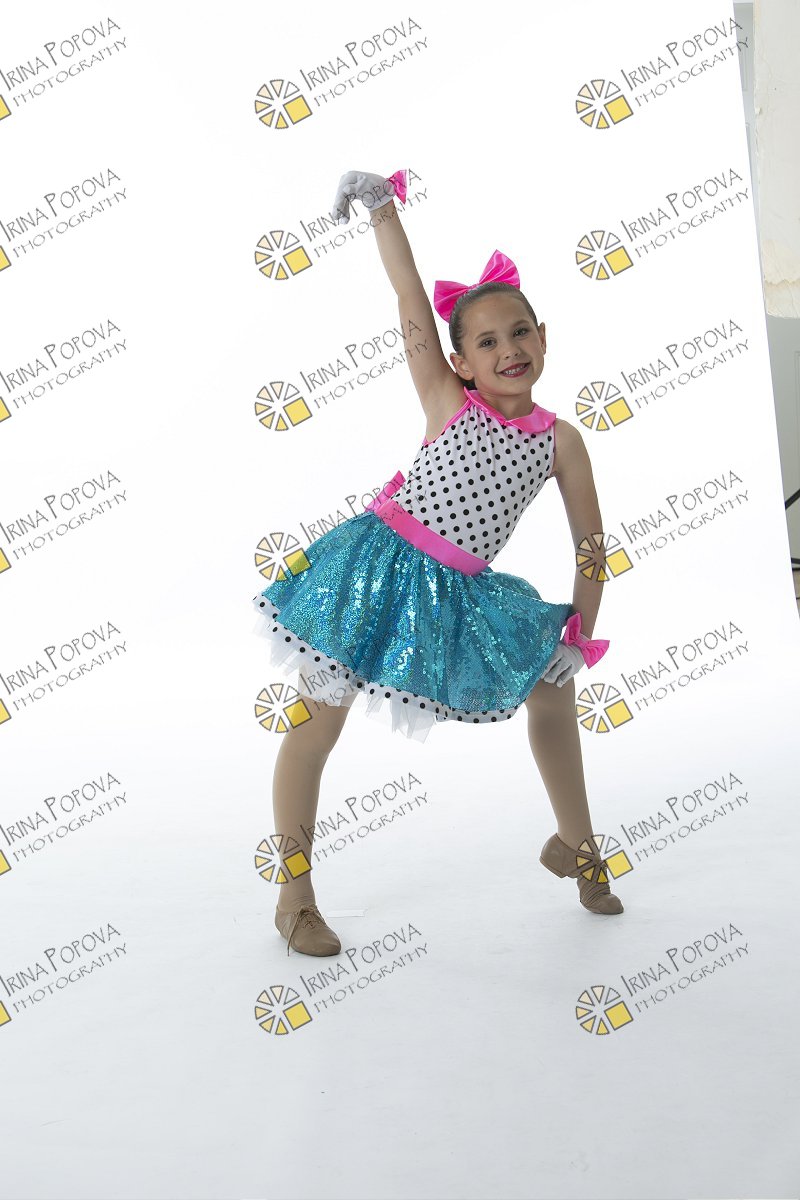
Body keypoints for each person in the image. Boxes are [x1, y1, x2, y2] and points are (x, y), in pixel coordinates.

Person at [252, 168, 624, 957]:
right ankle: (294, 896)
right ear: (460, 363)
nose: (508, 350)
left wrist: (581, 634)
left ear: (544, 336)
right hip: (371, 574)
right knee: (315, 723)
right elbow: (411, 299)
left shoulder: (561, 441)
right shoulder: (446, 402)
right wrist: (383, 211)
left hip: (457, 593)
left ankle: (578, 847)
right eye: (486, 342)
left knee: (552, 688)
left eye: (519, 333)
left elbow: (592, 545)